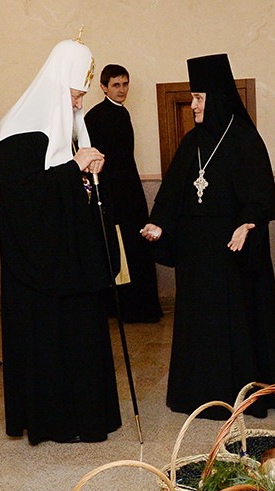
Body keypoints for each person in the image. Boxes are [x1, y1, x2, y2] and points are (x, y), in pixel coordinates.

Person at [0, 37, 122, 444]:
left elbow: (68, 187)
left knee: (80, 337)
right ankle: (56, 421)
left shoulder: (66, 126)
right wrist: (74, 168)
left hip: (72, 261)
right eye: (76, 92)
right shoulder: (20, 131)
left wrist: (89, 174)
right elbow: (22, 200)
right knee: (51, 342)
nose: (79, 101)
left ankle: (86, 415)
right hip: (40, 269)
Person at [141, 53, 275, 419]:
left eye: (198, 98)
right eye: (192, 98)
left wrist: (247, 222)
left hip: (230, 250)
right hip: (195, 253)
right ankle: (199, 392)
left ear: (218, 99)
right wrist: (159, 222)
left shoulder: (245, 140)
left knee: (234, 321)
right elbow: (172, 191)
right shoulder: (191, 142)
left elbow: (259, 196)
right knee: (200, 322)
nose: (193, 105)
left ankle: (240, 393)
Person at [83, 64, 163, 323]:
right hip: (111, 195)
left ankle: (139, 306)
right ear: (103, 87)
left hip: (129, 192)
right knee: (120, 249)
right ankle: (126, 308)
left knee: (135, 247)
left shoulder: (122, 113)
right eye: (116, 85)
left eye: (125, 84)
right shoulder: (95, 117)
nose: (122, 90)